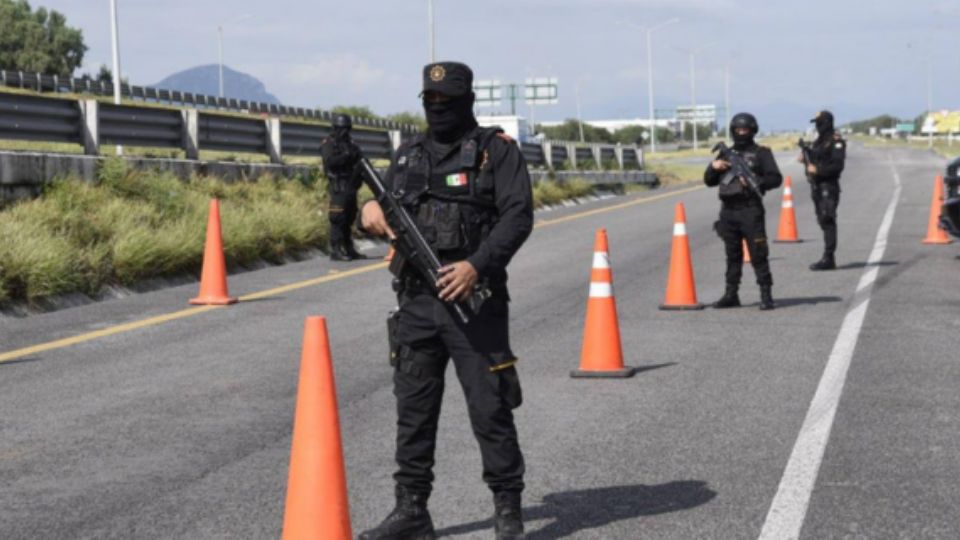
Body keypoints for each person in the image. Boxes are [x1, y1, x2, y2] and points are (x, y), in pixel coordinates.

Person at [358, 61, 533, 540]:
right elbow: (378, 211)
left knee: (489, 409)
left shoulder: (495, 152)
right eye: (430, 102)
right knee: (413, 411)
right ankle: (412, 510)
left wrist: (477, 264)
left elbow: (518, 217)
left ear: (467, 102)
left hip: (474, 301)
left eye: (447, 103)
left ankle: (507, 509)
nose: (437, 110)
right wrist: (366, 210)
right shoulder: (409, 153)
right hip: (416, 303)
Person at [704, 112, 783, 310]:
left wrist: (757, 181)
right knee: (732, 255)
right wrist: (714, 167)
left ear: (752, 130)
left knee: (758, 254)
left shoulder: (762, 153)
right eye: (738, 130)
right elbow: (709, 181)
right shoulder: (726, 154)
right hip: (728, 212)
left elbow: (776, 178)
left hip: (750, 210)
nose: (741, 133)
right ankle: (731, 295)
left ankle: (766, 295)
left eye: (745, 129)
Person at [802, 110, 846, 270]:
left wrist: (818, 170)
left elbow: (837, 166)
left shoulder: (836, 141)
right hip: (817, 186)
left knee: (828, 220)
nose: (817, 126)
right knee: (822, 220)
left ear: (826, 122)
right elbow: (815, 159)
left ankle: (829, 258)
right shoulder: (819, 141)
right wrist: (804, 159)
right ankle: (828, 256)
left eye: (819, 123)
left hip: (828, 186)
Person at [320, 113, 366, 261]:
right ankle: (336, 250)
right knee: (337, 218)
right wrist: (345, 157)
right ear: (335, 128)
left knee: (350, 216)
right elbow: (329, 162)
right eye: (341, 128)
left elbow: (360, 160)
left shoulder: (351, 143)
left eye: (347, 128)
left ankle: (349, 247)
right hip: (338, 186)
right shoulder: (329, 143)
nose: (344, 132)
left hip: (351, 185)